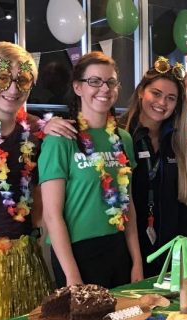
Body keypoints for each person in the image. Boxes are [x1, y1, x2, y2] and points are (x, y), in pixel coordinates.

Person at [38, 51, 143, 288]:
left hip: (118, 248)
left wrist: (136, 260)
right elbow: (52, 216)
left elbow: (129, 205)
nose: (104, 89)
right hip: (77, 253)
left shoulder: (122, 138)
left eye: (111, 82)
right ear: (77, 87)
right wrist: (72, 275)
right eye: (94, 81)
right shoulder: (61, 139)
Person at [0, 41, 52, 320]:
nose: (13, 89)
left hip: (27, 258)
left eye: (23, 79)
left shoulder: (37, 133)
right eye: (2, 78)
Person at [118, 57, 187, 277]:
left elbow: (184, 203)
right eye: (156, 93)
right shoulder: (119, 135)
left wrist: (183, 257)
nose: (162, 103)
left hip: (169, 253)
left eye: (171, 98)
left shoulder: (177, 142)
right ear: (142, 91)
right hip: (128, 252)